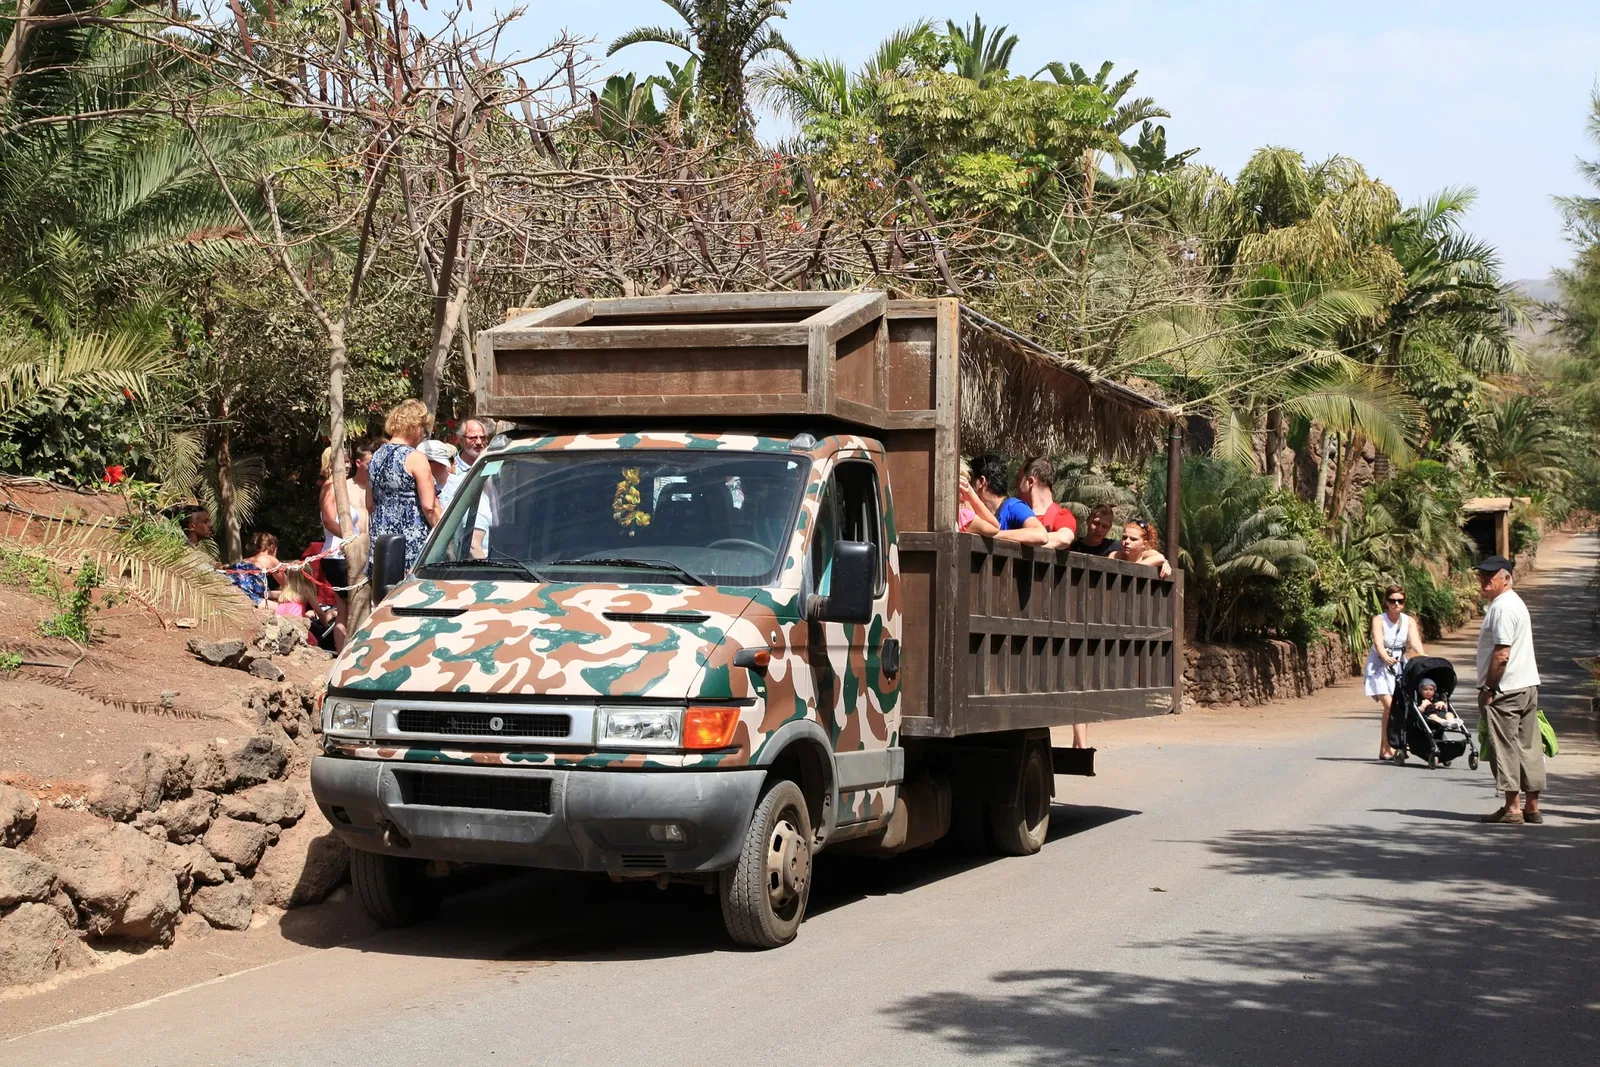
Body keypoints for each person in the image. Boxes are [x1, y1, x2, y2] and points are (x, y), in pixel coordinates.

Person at [1475, 555, 1543, 824]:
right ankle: (1532, 807)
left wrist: (1490, 688)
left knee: (1504, 747)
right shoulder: (1515, 603)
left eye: (1490, 575)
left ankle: (1513, 808)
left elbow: (1502, 653)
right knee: (1528, 747)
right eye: (1482, 575)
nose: (1484, 580)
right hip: (1526, 685)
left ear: (1506, 578)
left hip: (1506, 689)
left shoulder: (1502, 607)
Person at [368, 399, 442, 572]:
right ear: (415, 426)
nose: (424, 434)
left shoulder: (375, 457)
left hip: (381, 546)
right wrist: (446, 538)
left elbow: (370, 505)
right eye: (424, 429)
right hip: (411, 546)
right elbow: (429, 507)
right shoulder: (415, 457)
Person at [1364, 583, 1424, 761]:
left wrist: (1423, 655)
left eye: (1400, 601)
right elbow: (1378, 642)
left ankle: (1385, 748)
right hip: (1379, 667)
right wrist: (1384, 656)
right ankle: (1391, 745)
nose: (1396, 604)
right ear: (1387, 602)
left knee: (1392, 710)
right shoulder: (1379, 620)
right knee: (1391, 707)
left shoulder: (1408, 621)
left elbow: (1414, 640)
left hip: (1399, 665)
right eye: (1392, 601)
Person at [318, 446, 369, 649]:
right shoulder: (330, 487)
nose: (347, 465)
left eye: (348, 461)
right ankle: (352, 654)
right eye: (343, 461)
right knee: (356, 607)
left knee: (344, 610)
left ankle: (342, 655)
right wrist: (351, 540)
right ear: (330, 464)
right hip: (339, 556)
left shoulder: (340, 487)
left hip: (341, 555)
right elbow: (329, 521)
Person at [961, 454, 1047, 544]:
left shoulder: (1013, 507)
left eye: (970, 481)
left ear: (982, 482)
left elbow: (1041, 535)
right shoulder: (978, 514)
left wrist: (993, 534)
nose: (968, 486)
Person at [1016, 456, 1076, 549]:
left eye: (1019, 480)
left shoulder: (1061, 515)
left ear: (1031, 482)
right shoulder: (1016, 513)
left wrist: (1008, 537)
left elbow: (1064, 539)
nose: (1016, 486)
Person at [227, 532, 283, 607]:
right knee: (284, 609)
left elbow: (261, 592)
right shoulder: (270, 560)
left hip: (231, 593)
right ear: (272, 547)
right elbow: (289, 588)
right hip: (250, 599)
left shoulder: (245, 561)